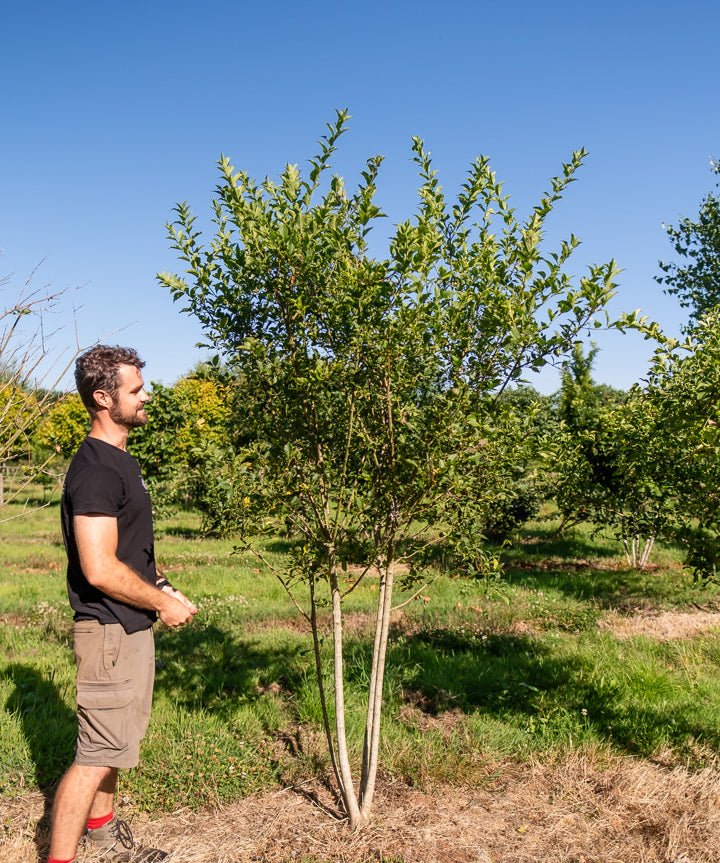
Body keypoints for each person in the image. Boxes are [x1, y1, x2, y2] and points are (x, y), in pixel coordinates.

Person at [47, 345, 197, 863]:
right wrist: (162, 604)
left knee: (113, 749)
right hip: (107, 631)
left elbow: (125, 552)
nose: (146, 395)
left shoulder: (122, 462)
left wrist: (159, 584)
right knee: (92, 757)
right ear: (103, 397)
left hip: (127, 627)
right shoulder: (95, 470)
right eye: (135, 390)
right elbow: (98, 567)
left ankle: (105, 842)